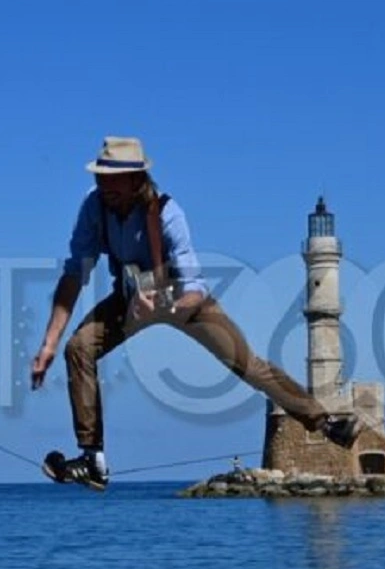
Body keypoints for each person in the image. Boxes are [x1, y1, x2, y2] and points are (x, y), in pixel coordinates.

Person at [30, 136, 363, 491]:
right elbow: (74, 274)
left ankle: (326, 424)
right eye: (99, 177)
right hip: (129, 298)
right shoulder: (93, 207)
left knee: (246, 364)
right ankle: (93, 459)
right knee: (77, 347)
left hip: (181, 298)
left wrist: (166, 306)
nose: (103, 185)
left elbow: (194, 288)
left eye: (112, 179)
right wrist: (49, 343)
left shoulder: (167, 213)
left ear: (136, 179)